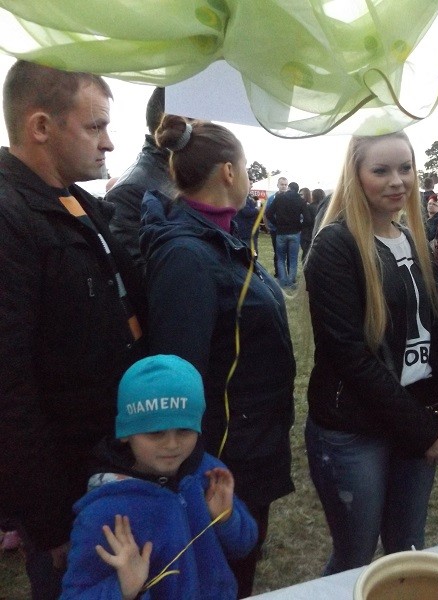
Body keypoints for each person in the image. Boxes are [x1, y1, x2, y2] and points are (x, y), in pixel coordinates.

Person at [0, 60, 147, 600]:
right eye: (95, 126)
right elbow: (8, 388)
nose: (109, 143)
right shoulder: (9, 217)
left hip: (109, 457)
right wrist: (49, 519)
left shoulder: (79, 202)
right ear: (41, 126)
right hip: (67, 484)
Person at [303, 130, 438, 574]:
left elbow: (436, 337)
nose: (397, 180)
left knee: (408, 549)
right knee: (355, 557)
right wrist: (423, 432)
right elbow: (350, 356)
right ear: (356, 175)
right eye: (381, 170)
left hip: (413, 418)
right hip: (355, 428)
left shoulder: (411, 238)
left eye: (405, 167)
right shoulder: (336, 246)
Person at [140, 116, 296, 597]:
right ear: (229, 171)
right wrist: (196, 473)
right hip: (223, 462)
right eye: (246, 167)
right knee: (224, 579)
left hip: (249, 445)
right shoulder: (188, 255)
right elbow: (179, 374)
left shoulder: (222, 238)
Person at [60, 355, 257, 600]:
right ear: (126, 432)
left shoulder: (207, 473)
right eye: (155, 432)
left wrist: (226, 519)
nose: (172, 444)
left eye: (184, 430)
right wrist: (123, 590)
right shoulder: (104, 513)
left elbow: (244, 545)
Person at [106, 87, 176, 272]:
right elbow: (139, 276)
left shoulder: (194, 177)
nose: (209, 132)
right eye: (204, 122)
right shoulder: (129, 191)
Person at [265, 180, 311, 288]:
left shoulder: (279, 198)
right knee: (293, 259)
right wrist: (300, 227)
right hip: (295, 233)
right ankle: (290, 282)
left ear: (289, 188)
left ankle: (282, 281)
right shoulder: (300, 200)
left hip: (281, 232)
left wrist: (276, 224)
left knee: (281, 258)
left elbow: (268, 213)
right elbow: (308, 219)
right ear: (297, 190)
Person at [264, 176, 288, 276]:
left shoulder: (290, 198)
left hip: (287, 229)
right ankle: (278, 273)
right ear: (278, 185)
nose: (284, 186)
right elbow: (266, 213)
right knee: (277, 252)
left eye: (285, 185)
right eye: (282, 184)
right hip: (275, 229)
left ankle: (287, 273)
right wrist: (267, 225)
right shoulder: (271, 198)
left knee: (287, 252)